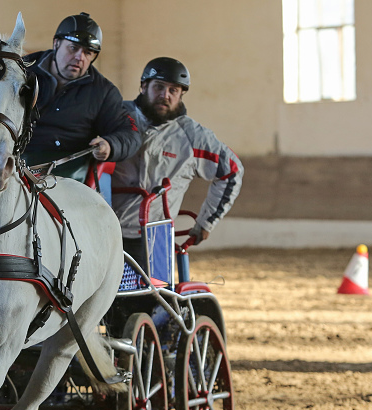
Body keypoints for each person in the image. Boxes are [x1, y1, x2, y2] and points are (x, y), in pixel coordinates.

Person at [111, 57, 243, 264]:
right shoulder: (114, 116)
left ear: (181, 95)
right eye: (159, 87)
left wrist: (206, 222)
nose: (165, 95)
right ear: (143, 86)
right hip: (104, 231)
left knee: (153, 295)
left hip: (155, 237)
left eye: (173, 90)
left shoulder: (193, 137)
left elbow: (231, 170)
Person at [20, 12, 140, 182]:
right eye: (73, 48)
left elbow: (131, 133)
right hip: (12, 163)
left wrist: (110, 144)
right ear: (56, 43)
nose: (80, 57)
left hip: (72, 173)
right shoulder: (20, 74)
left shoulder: (103, 92)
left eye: (88, 52)